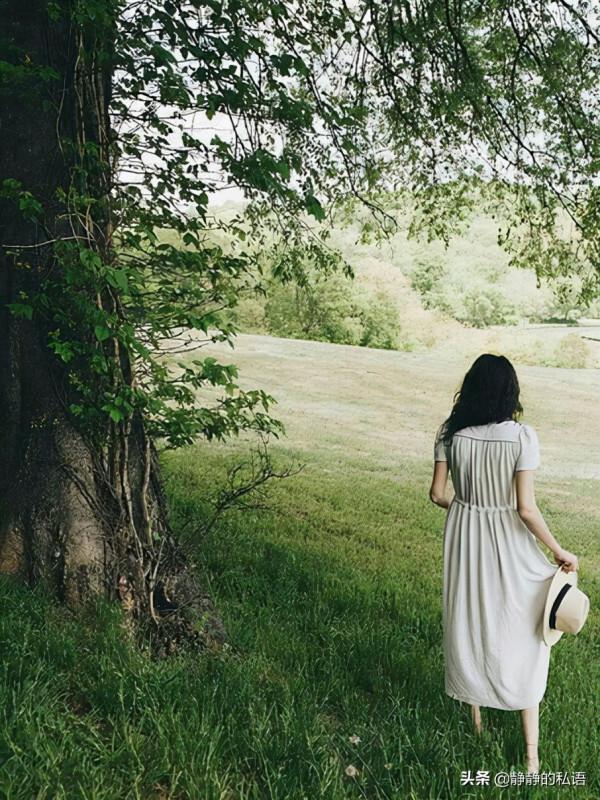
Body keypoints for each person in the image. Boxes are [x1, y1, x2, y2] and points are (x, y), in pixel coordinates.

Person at [429, 353, 579, 775]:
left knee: (471, 620)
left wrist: (469, 508)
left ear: (472, 388)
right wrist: (559, 551)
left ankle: (476, 725)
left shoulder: (452, 434)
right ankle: (532, 756)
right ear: (510, 391)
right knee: (525, 634)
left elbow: (438, 494)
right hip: (509, 542)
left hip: (464, 537)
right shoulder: (520, 437)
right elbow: (526, 509)